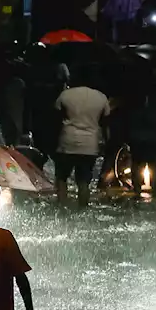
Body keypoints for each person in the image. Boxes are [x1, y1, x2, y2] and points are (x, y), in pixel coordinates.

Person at [52, 69, 111, 208]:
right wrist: (106, 142)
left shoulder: (65, 94)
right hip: (89, 144)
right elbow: (105, 122)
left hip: (68, 141)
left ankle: (62, 207)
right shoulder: (101, 97)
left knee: (61, 177)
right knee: (83, 180)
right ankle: (82, 209)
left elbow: (56, 118)